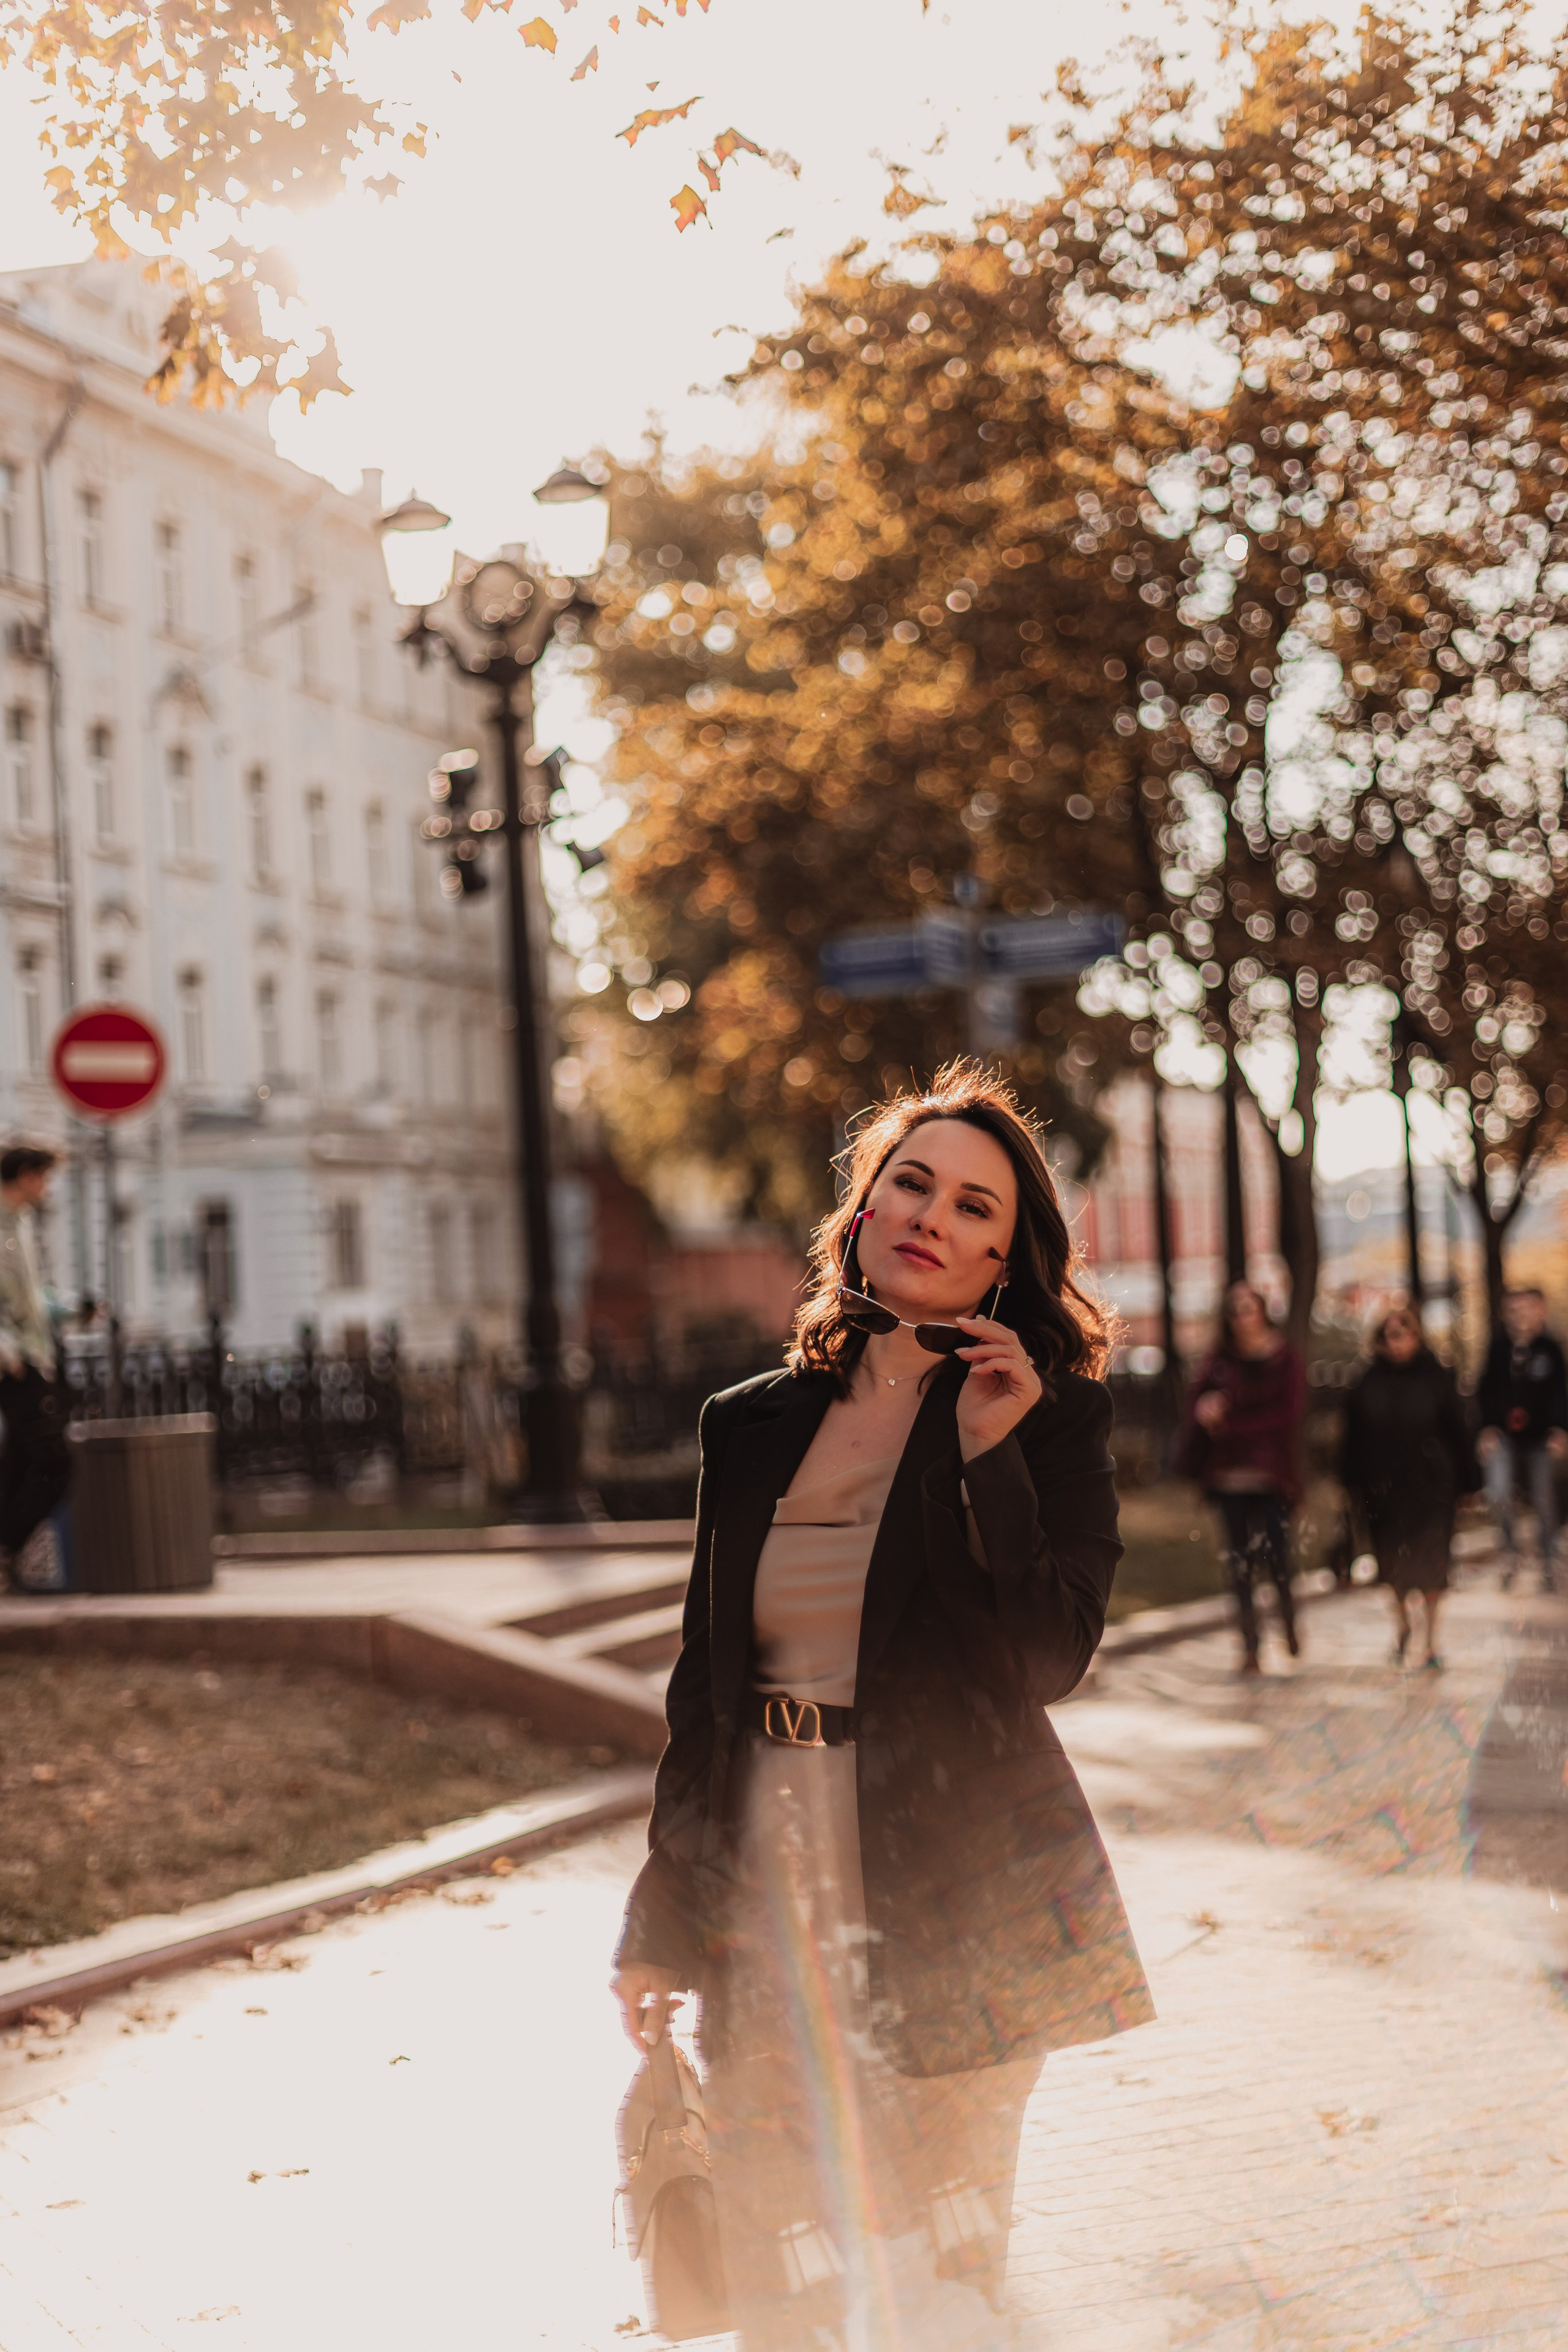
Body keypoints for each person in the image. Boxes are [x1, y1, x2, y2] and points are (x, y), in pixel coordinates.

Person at [610, 1066, 1152, 2352]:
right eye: (911, 1184)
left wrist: (988, 1459)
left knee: (938, 2297)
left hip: (962, 1906)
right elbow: (707, 1693)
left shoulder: (1050, 1417)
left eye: (974, 1207)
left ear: (1006, 1260)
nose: (932, 1217)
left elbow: (1048, 1658)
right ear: (862, 1210)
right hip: (770, 1896)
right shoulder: (750, 1426)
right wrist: (661, 1915)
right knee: (781, 2286)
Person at [1339, 1305, 1479, 1671]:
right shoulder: (1366, 1380)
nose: (1397, 1342)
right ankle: (1402, 1624)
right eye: (1390, 1335)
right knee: (1390, 1563)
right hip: (1382, 1489)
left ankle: (1430, 1640)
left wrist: (1470, 1483)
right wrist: (1348, 1484)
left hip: (1432, 1488)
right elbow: (1352, 1437)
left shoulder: (1437, 1376)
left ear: (1417, 1336)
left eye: (1404, 1334)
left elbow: (1460, 1431)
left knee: (1434, 1563)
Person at [1177, 1281, 1306, 1675]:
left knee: (1277, 1557)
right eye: (1235, 1311)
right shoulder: (1220, 1360)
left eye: (1249, 1309)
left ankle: (1289, 1622)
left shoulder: (1284, 1358)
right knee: (1240, 1564)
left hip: (1270, 1478)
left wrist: (1232, 1428)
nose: (1242, 1318)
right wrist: (1206, 1409)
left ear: (1263, 1312)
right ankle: (1250, 1645)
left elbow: (1287, 1416)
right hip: (1228, 1479)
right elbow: (1195, 1405)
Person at [0, 1145, 69, 1593]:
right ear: (25, 1174)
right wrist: (6, 1351)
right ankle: (7, 1546)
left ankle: (7, 1555)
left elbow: (29, 1298)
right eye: (43, 1177)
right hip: (15, 1363)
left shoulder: (20, 1223)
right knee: (54, 1460)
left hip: (30, 1356)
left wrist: (72, 1311)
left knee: (20, 1461)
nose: (47, 1188)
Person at [1476, 1286, 1568, 1591]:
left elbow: (1560, 1393)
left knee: (1545, 1498)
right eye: (1514, 1310)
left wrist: (1560, 1429)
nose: (1521, 1315)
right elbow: (1485, 1392)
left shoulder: (1551, 1349)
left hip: (1541, 1438)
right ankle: (1509, 1553)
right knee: (1498, 1493)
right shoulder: (1498, 1349)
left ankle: (1549, 1559)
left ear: (1541, 1310)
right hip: (1505, 1437)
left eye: (1527, 1308)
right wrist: (1487, 1428)